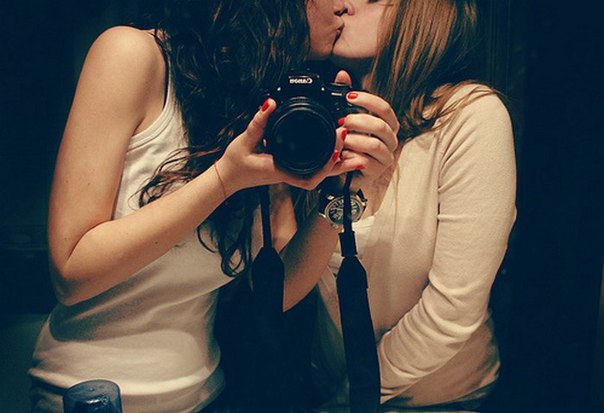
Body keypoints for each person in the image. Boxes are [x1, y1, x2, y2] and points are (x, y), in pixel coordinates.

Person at [28, 1, 401, 412]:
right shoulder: (131, 55)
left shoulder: (252, 101)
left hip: (205, 395)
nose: (344, 4)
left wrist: (343, 193)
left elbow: (276, 292)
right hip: (96, 396)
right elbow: (71, 271)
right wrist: (224, 180)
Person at [306, 0, 517, 411]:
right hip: (327, 388)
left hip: (439, 399)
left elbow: (451, 311)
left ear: (423, 11)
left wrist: (350, 398)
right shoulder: (316, 119)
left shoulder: (470, 115)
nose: (343, 5)